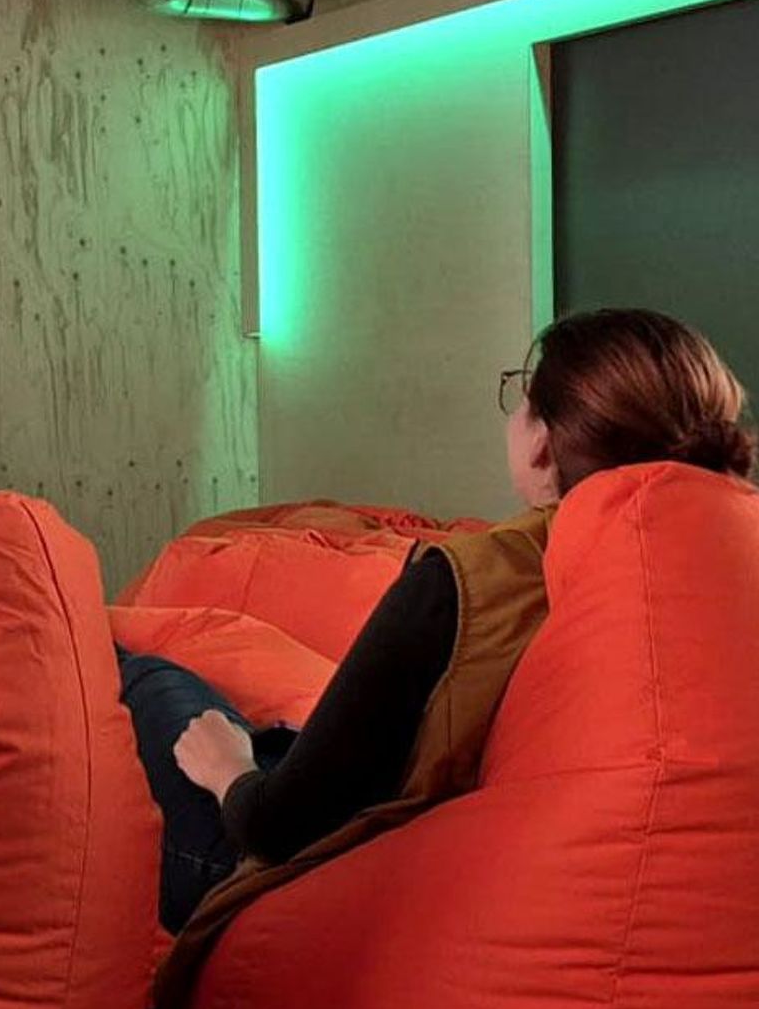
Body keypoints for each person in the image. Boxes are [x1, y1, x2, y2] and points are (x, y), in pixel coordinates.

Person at [127, 308, 756, 943]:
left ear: (543, 446)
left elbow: (277, 828)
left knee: (144, 676)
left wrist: (228, 769)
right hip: (467, 847)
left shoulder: (472, 581)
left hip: (330, 879)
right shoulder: (712, 571)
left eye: (523, 395)